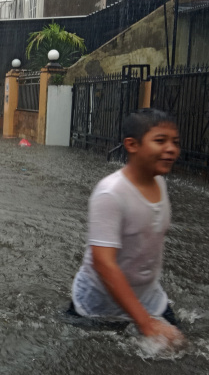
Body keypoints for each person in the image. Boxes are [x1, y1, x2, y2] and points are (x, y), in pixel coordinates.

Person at [68, 108, 185, 346]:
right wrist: (146, 323)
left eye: (175, 142)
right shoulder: (110, 193)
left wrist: (147, 318)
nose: (171, 149)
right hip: (97, 308)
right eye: (160, 141)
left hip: (150, 300)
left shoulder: (160, 184)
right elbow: (104, 263)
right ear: (132, 145)